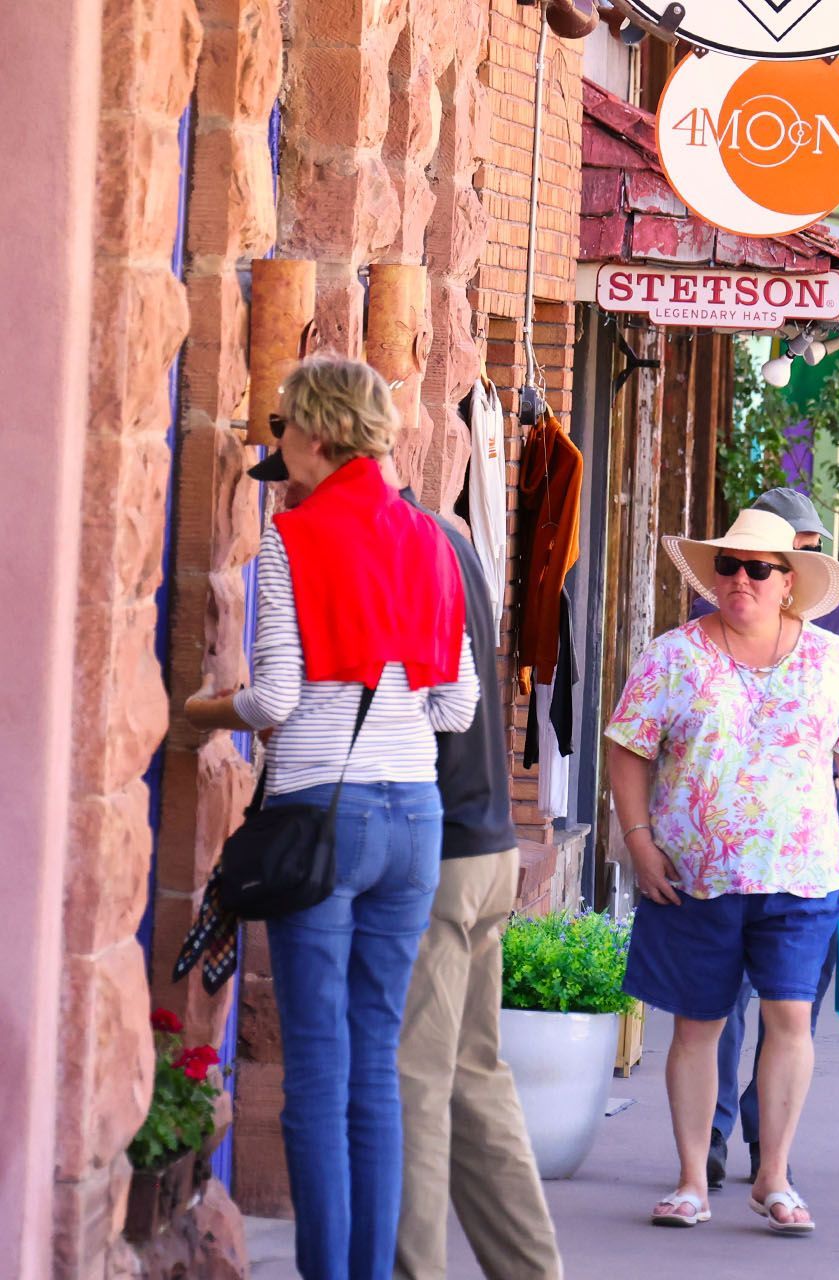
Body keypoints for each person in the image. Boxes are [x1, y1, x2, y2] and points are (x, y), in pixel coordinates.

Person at [183, 356, 480, 1280]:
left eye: (283, 429)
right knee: (375, 1066)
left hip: (324, 815)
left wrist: (199, 712)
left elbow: (272, 700)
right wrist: (387, 705)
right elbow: (455, 708)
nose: (278, 445)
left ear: (316, 433)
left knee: (316, 1068)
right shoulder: (431, 539)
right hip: (414, 823)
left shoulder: (295, 539)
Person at [606, 508, 839, 1236]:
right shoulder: (674, 655)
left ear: (788, 582)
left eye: (759, 568)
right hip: (693, 876)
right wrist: (638, 840)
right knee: (698, 1025)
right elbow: (628, 747)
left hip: (802, 874)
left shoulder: (829, 658)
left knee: (791, 1016)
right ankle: (694, 1180)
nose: (740, 580)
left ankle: (774, 1176)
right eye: (728, 565)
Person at [687, 487, 839, 1189]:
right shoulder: (710, 615)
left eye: (783, 558)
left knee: (788, 1001)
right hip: (716, 854)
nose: (755, 577)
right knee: (719, 1003)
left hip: (807, 843)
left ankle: (765, 1137)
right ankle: (711, 1137)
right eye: (740, 562)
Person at [393, 476, 561, 1279]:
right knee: (471, 1076)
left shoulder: (397, 544)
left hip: (439, 847)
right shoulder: (452, 538)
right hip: (486, 839)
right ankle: (531, 1271)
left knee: (417, 1082)